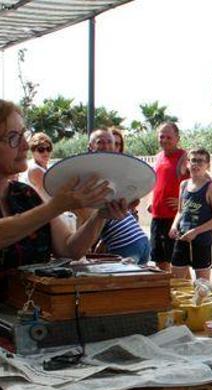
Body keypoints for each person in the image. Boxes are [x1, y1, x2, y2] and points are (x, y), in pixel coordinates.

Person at [0, 100, 126, 277]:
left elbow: (69, 249)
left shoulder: (26, 195)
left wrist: (100, 215)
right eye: (13, 137)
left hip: (29, 304)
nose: (26, 146)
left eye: (23, 135)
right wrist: (55, 206)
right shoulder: (38, 202)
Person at [87, 129, 151, 264]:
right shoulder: (97, 176)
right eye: (100, 142)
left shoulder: (111, 175)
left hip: (127, 244)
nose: (105, 146)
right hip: (138, 240)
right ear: (90, 147)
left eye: (110, 142)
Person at [169, 148, 212, 281]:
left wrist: (196, 231)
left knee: (202, 286)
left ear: (207, 165)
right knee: (176, 282)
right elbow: (181, 211)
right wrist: (174, 226)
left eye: (200, 161)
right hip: (182, 238)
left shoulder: (209, 188)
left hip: (202, 241)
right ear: (187, 163)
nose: (196, 164)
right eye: (193, 160)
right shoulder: (184, 185)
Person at [150, 122, 188, 271]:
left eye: (169, 137)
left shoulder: (185, 157)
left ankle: (187, 293)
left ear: (177, 138)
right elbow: (157, 182)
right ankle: (166, 293)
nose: (164, 140)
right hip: (157, 217)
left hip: (175, 220)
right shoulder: (158, 157)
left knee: (179, 265)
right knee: (160, 262)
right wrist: (151, 201)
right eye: (161, 136)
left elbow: (200, 184)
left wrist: (183, 202)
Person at [21, 132, 53, 200]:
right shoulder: (34, 169)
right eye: (41, 150)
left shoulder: (45, 167)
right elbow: (49, 196)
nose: (46, 152)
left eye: (48, 148)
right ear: (33, 151)